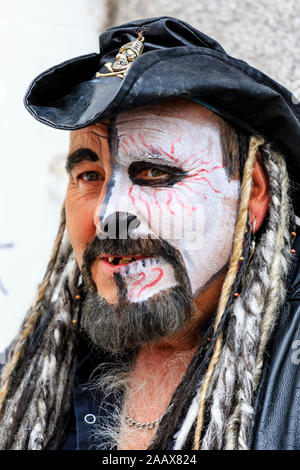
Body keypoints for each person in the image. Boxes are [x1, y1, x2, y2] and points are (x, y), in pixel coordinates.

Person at [0, 16, 299, 451]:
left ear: (252, 193)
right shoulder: (45, 354)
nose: (109, 215)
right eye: (89, 175)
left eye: (154, 172)